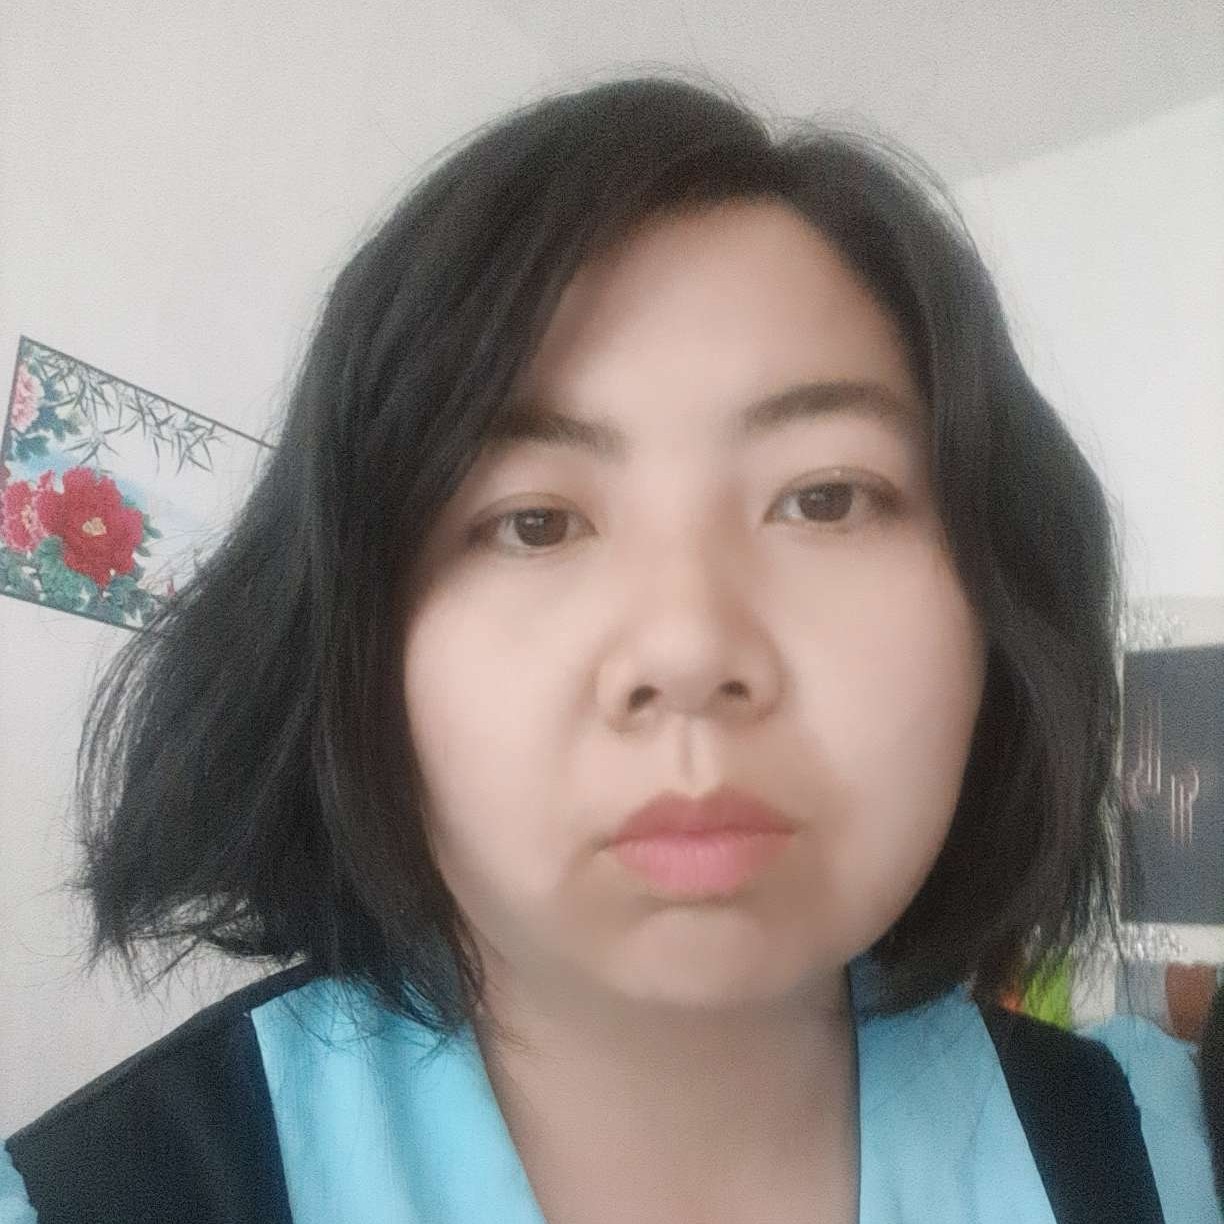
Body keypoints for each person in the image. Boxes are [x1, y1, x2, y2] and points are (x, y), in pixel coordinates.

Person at [1, 74, 1218, 1223]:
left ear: (999, 611)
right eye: (534, 522)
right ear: (357, 651)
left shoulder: (1156, 1153)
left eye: (825, 498)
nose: (686, 649)